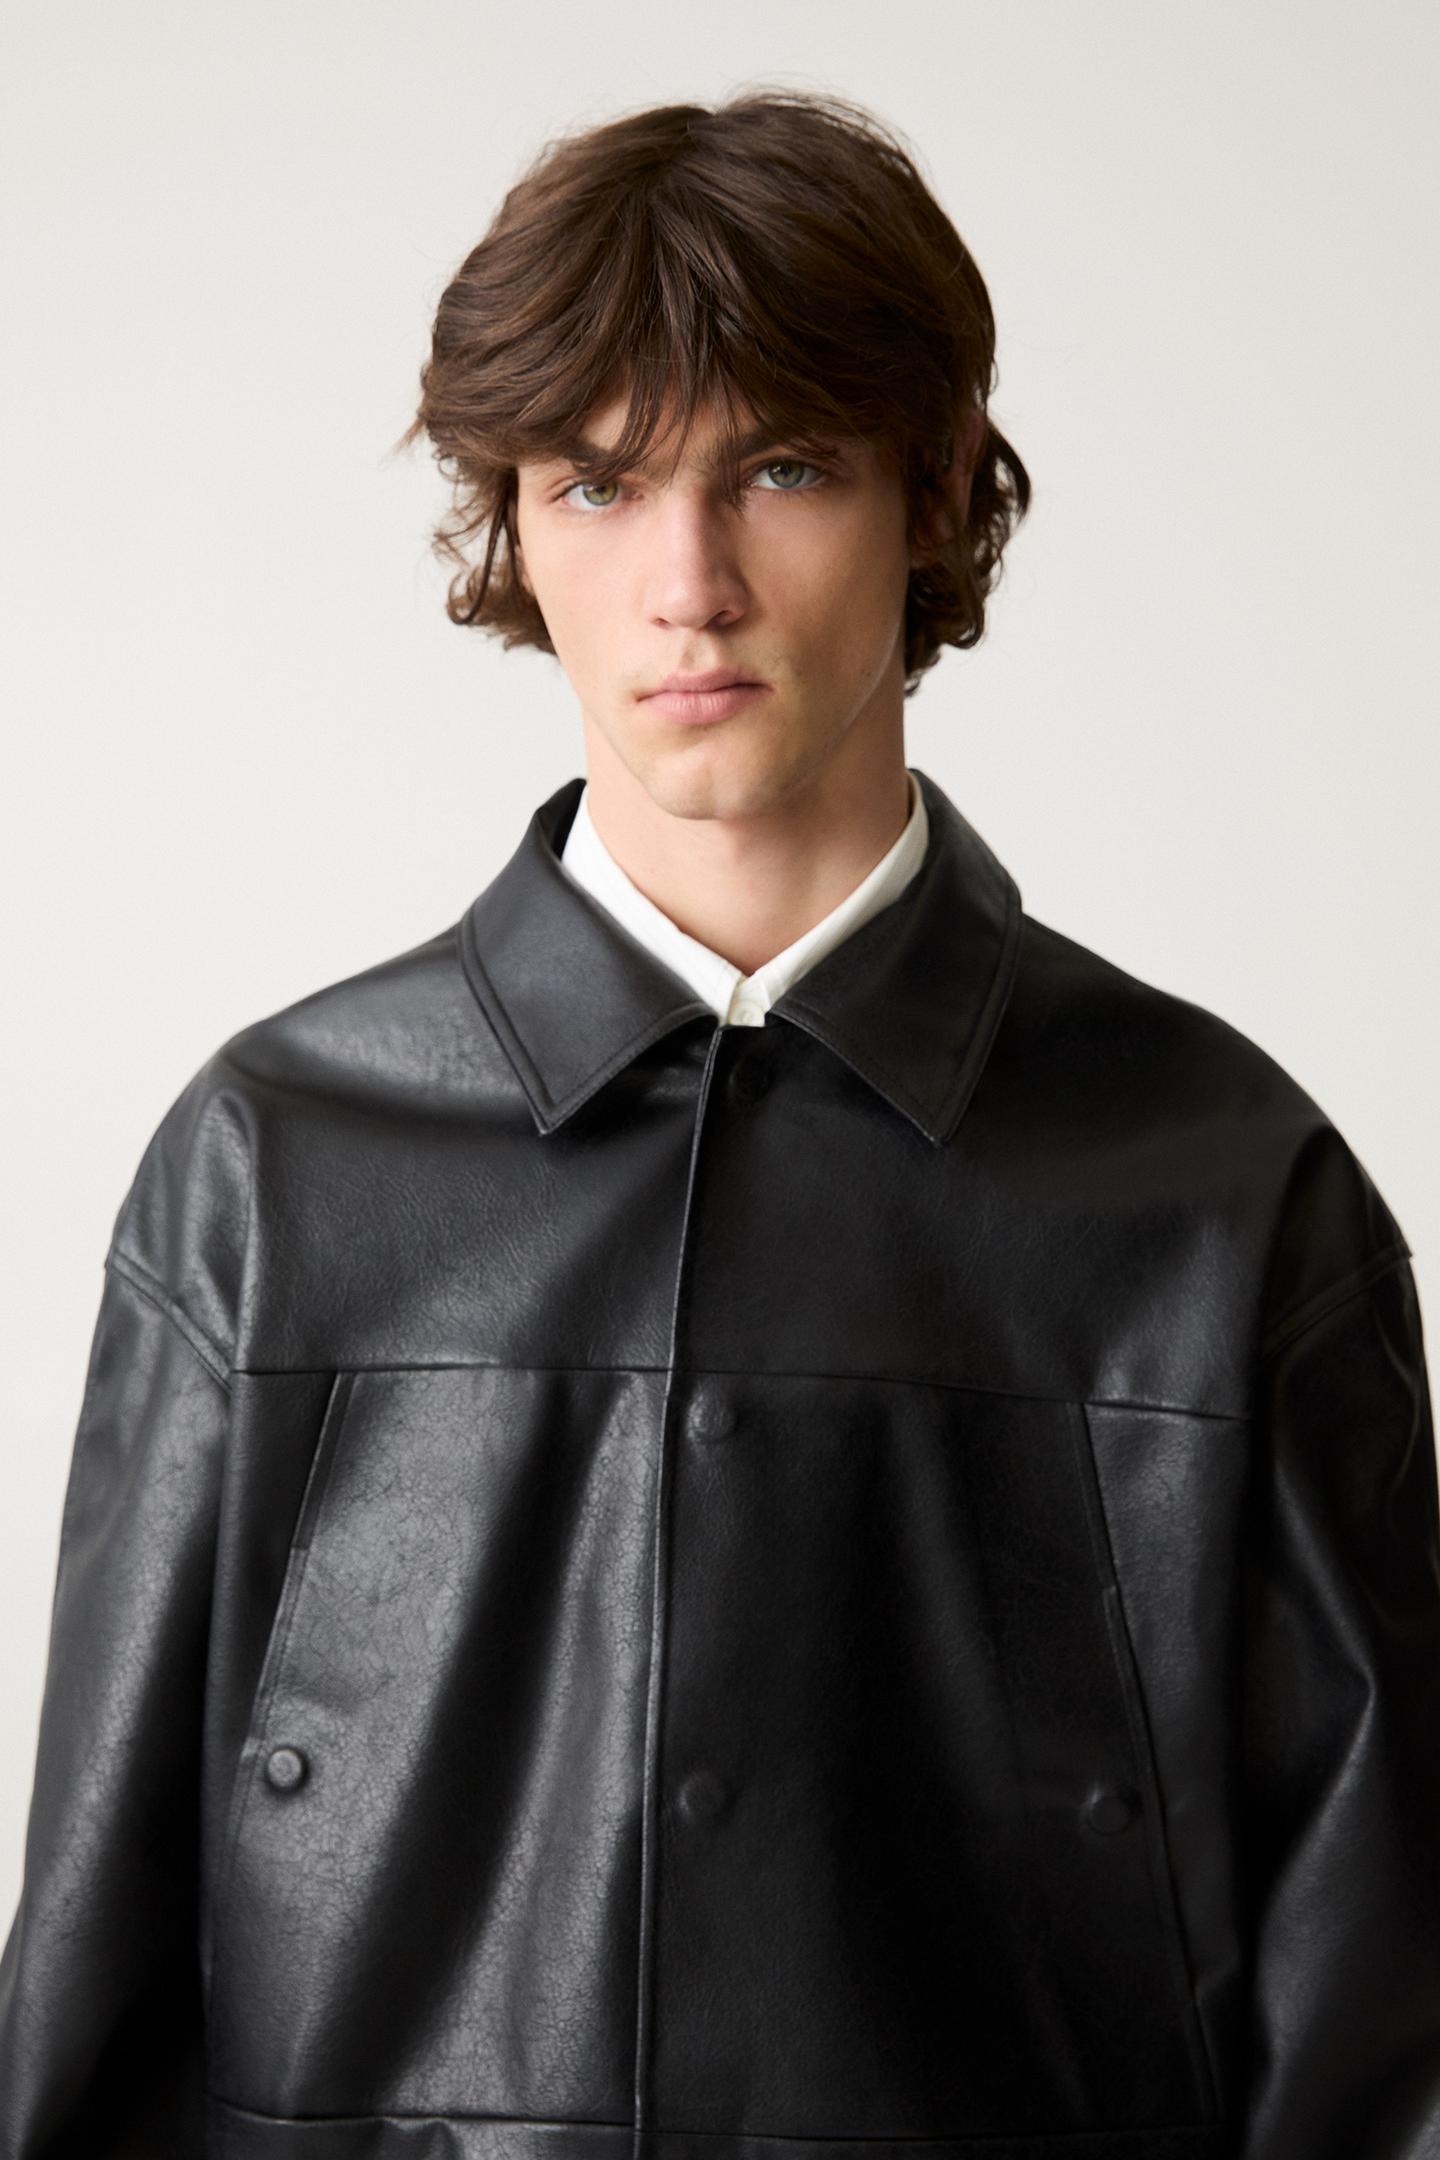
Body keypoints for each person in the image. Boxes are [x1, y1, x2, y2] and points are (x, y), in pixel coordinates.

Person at [1, 85, 1437, 2160]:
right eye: (596, 484)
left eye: (782, 467)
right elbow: (97, 1982)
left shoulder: (1222, 1197)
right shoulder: (274, 1169)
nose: (689, 583)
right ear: (513, 527)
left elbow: (1378, 2030)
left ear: (936, 490)